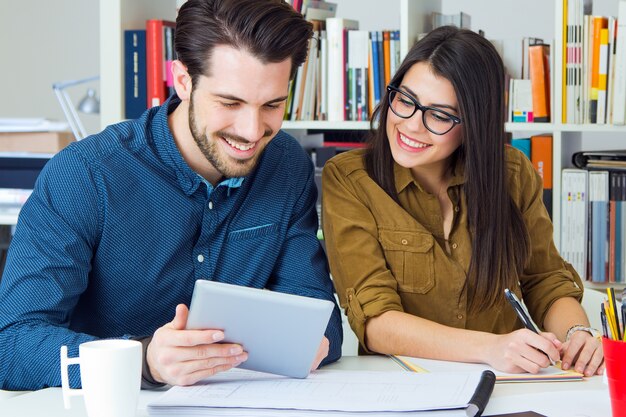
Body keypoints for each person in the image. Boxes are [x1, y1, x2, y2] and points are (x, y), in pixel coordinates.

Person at [0, 0, 342, 391]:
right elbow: (11, 344)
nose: (252, 131)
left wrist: (313, 342)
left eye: (272, 105)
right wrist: (143, 361)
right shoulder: (85, 175)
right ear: (182, 81)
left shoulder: (287, 166)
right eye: (230, 103)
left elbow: (320, 318)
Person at [322, 26, 603, 377]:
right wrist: (490, 348)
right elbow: (376, 322)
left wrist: (579, 335)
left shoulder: (512, 173)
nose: (411, 125)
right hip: (401, 386)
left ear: (474, 123)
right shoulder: (349, 179)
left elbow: (545, 280)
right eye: (405, 100)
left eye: (439, 115)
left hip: (507, 382)